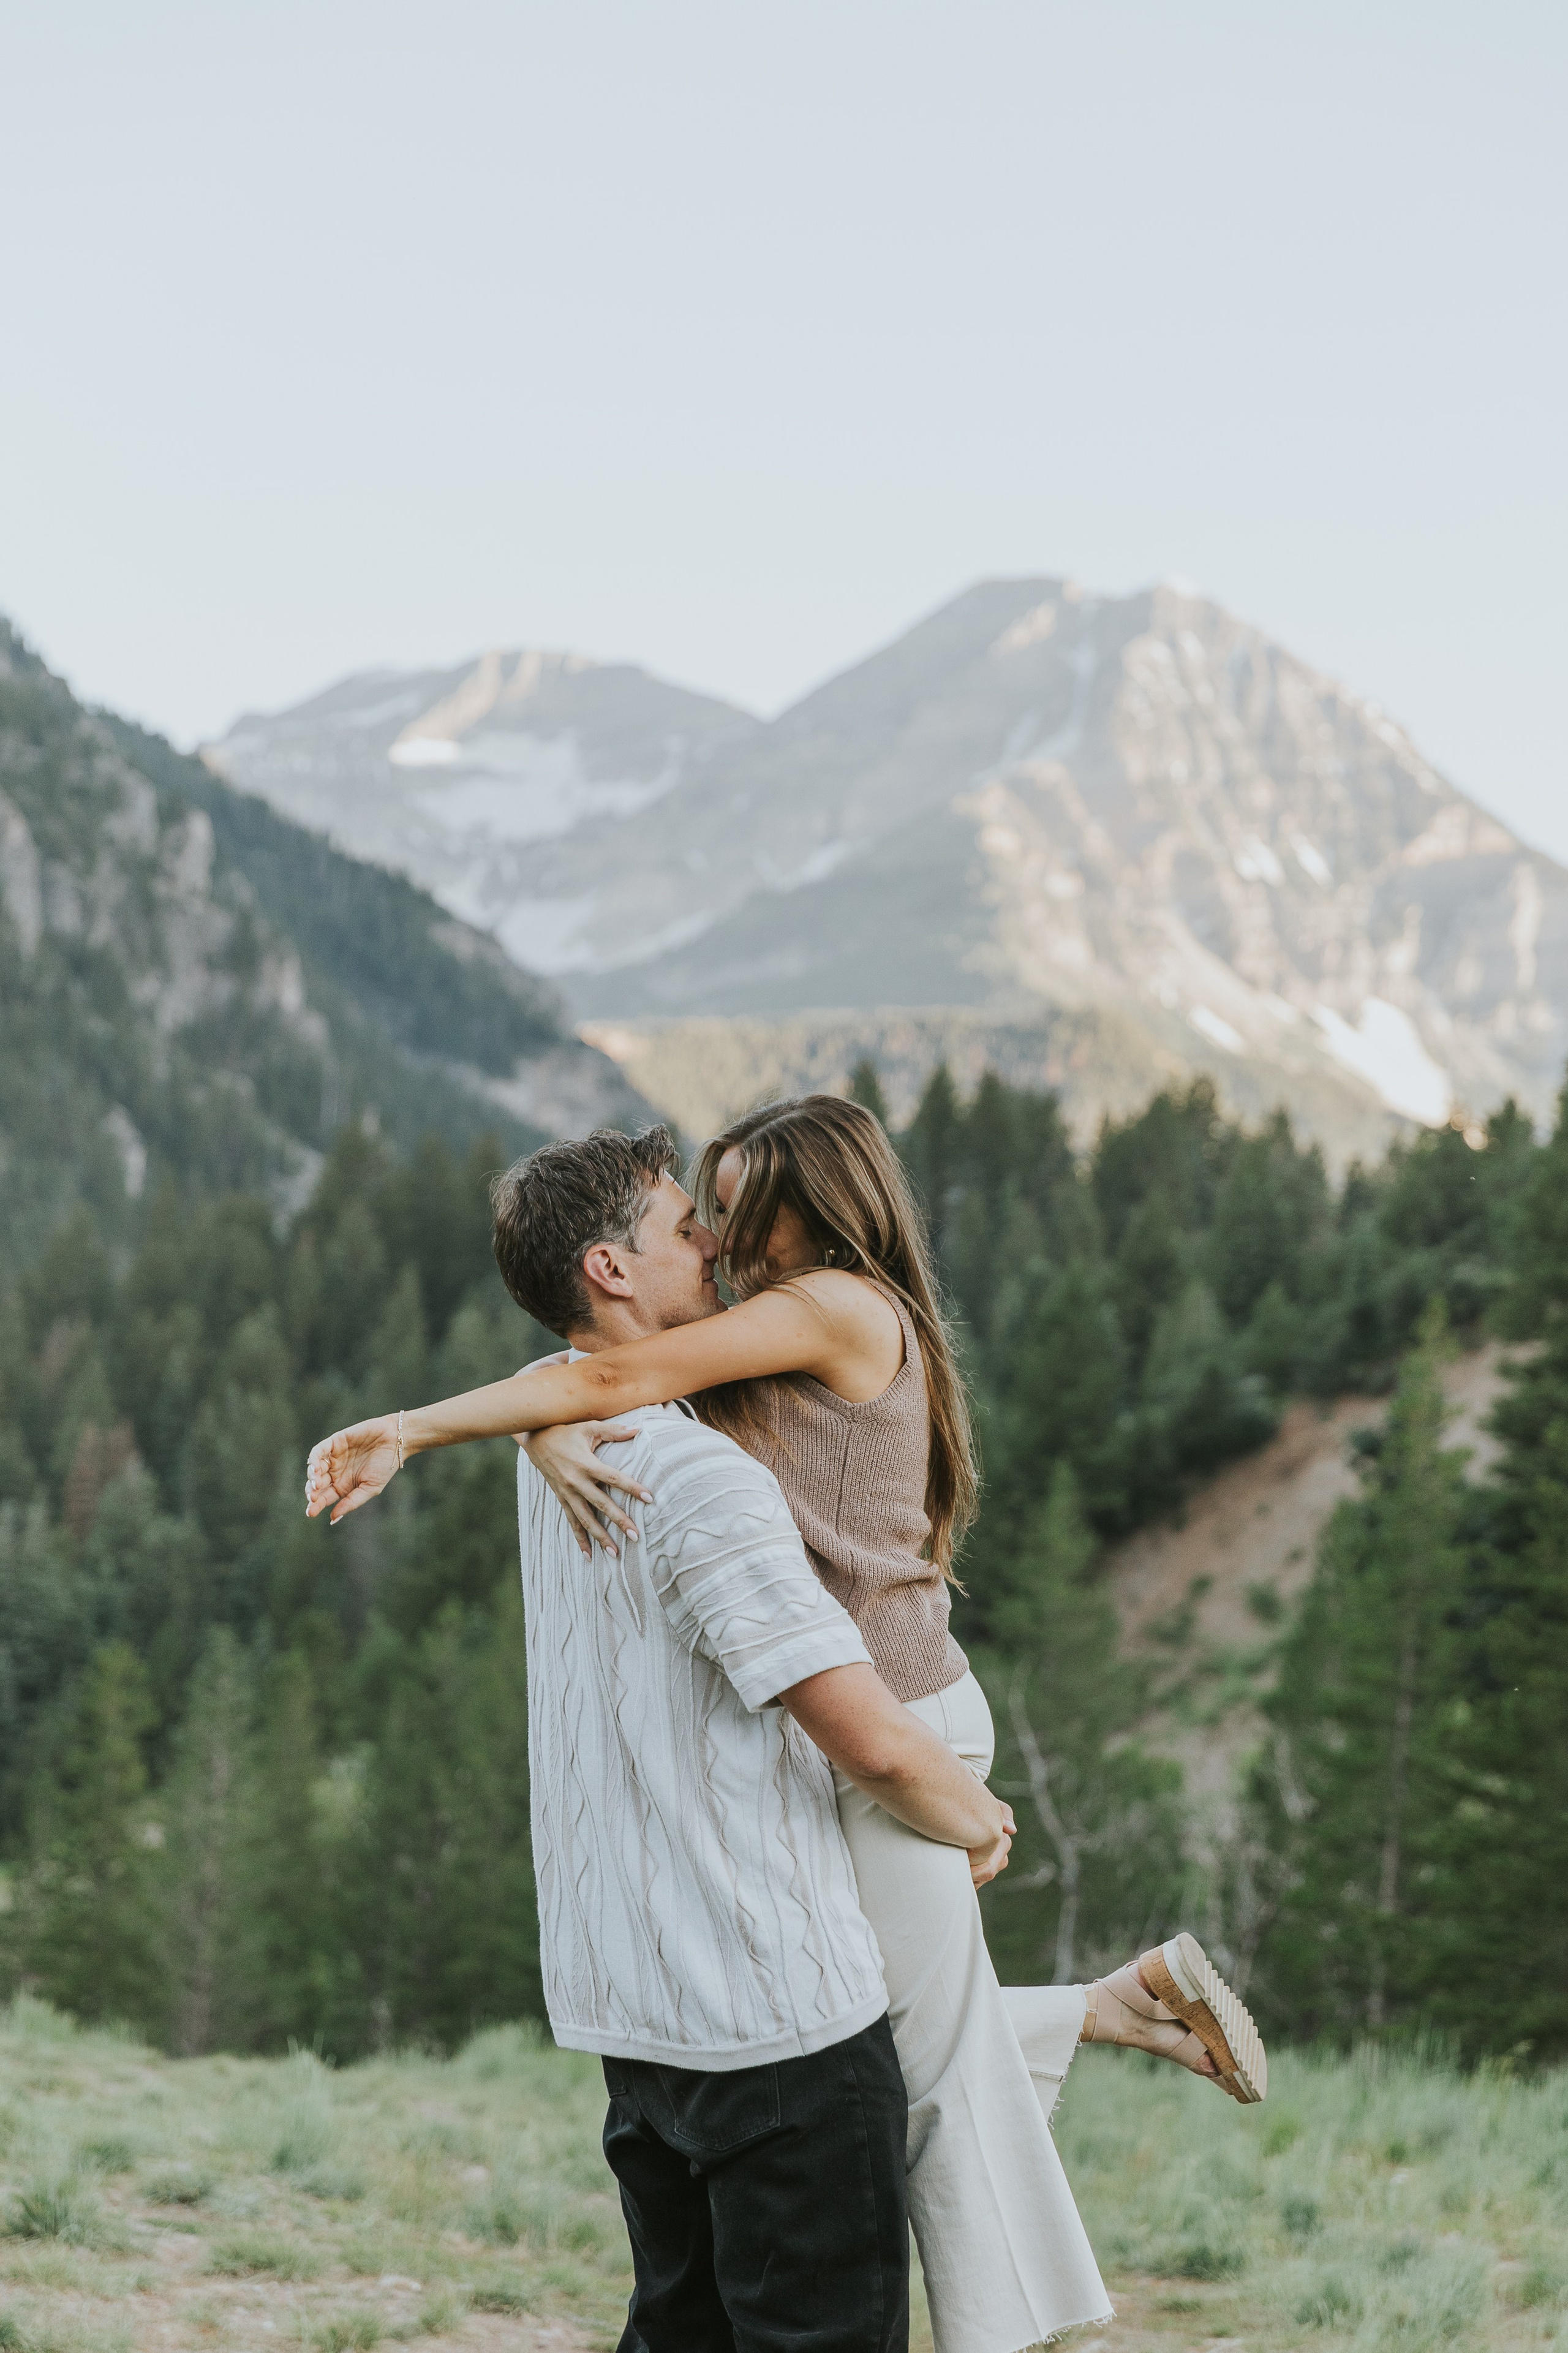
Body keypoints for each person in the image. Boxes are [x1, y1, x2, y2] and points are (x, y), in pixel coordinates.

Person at [307, 1101, 1266, 2353]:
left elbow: (610, 1372)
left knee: (909, 2074)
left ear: (811, 1210)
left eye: (735, 1202)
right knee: (886, 2035)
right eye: (695, 1211)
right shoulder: (754, 1337)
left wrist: (426, 1427)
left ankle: (1022, 2320)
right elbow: (597, 1375)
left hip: (896, 1721)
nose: (713, 1232)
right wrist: (546, 1425)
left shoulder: (834, 1304)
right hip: (849, 1717)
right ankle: (1112, 2008)